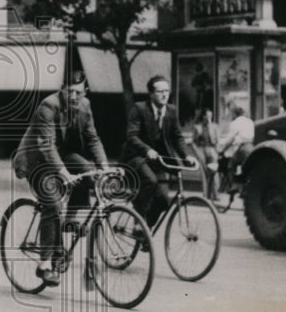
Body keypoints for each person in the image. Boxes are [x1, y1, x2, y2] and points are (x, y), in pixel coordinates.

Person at [13, 71, 108, 286]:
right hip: (37, 160)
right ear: (62, 89)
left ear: (85, 91)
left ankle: (71, 218)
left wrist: (104, 166)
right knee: (53, 202)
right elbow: (46, 144)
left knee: (87, 171)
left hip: (64, 155)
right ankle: (45, 263)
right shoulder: (49, 106)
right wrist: (64, 172)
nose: (74, 97)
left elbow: (93, 138)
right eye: (70, 92)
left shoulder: (85, 105)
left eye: (79, 92)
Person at [121, 75, 194, 227]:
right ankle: (138, 221)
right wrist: (147, 150)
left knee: (163, 202)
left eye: (167, 91)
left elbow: (177, 137)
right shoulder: (139, 109)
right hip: (136, 157)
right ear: (151, 94)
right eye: (160, 91)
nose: (164, 94)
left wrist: (187, 156)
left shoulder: (171, 111)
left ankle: (146, 231)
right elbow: (131, 137)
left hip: (157, 161)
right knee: (150, 181)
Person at [216, 103, 255, 177]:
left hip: (242, 149)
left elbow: (230, 140)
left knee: (230, 164)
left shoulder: (235, 123)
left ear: (234, 114)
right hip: (251, 148)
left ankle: (232, 184)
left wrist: (222, 150)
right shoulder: (250, 122)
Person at [193, 108, 220, 200]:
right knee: (204, 173)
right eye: (207, 116)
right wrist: (196, 152)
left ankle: (215, 194)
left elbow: (217, 140)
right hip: (201, 149)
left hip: (212, 149)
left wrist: (217, 152)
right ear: (203, 116)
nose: (209, 118)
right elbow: (193, 142)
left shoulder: (215, 127)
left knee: (214, 172)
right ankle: (206, 195)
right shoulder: (198, 127)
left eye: (210, 116)